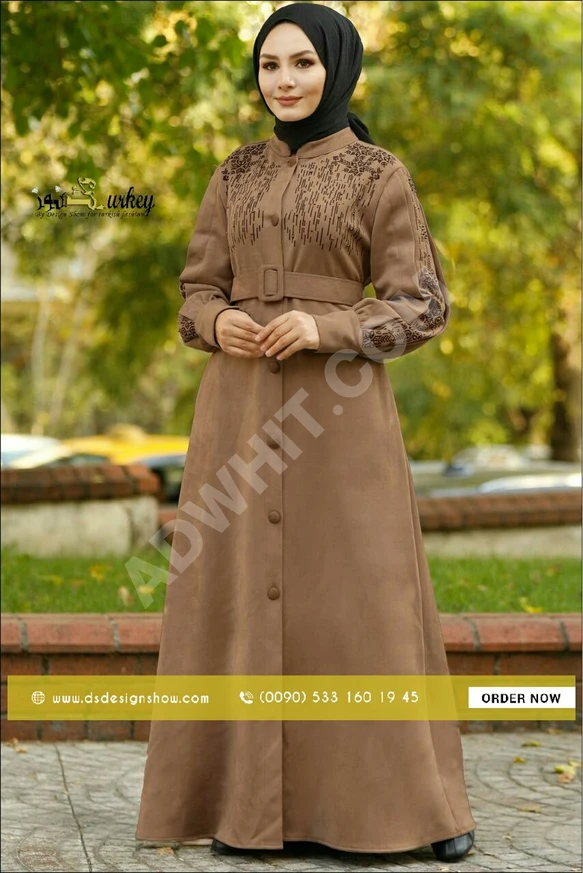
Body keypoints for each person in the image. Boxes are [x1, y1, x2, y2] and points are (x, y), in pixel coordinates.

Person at [135, 2, 477, 863]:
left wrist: (325, 327)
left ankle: (410, 811)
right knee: (237, 598)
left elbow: (421, 305)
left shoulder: (378, 174)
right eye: (269, 65)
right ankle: (249, 813)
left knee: (360, 604)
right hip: (240, 409)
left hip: (337, 417)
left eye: (301, 63)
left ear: (338, 68)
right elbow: (195, 290)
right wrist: (218, 322)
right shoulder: (234, 173)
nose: (283, 81)